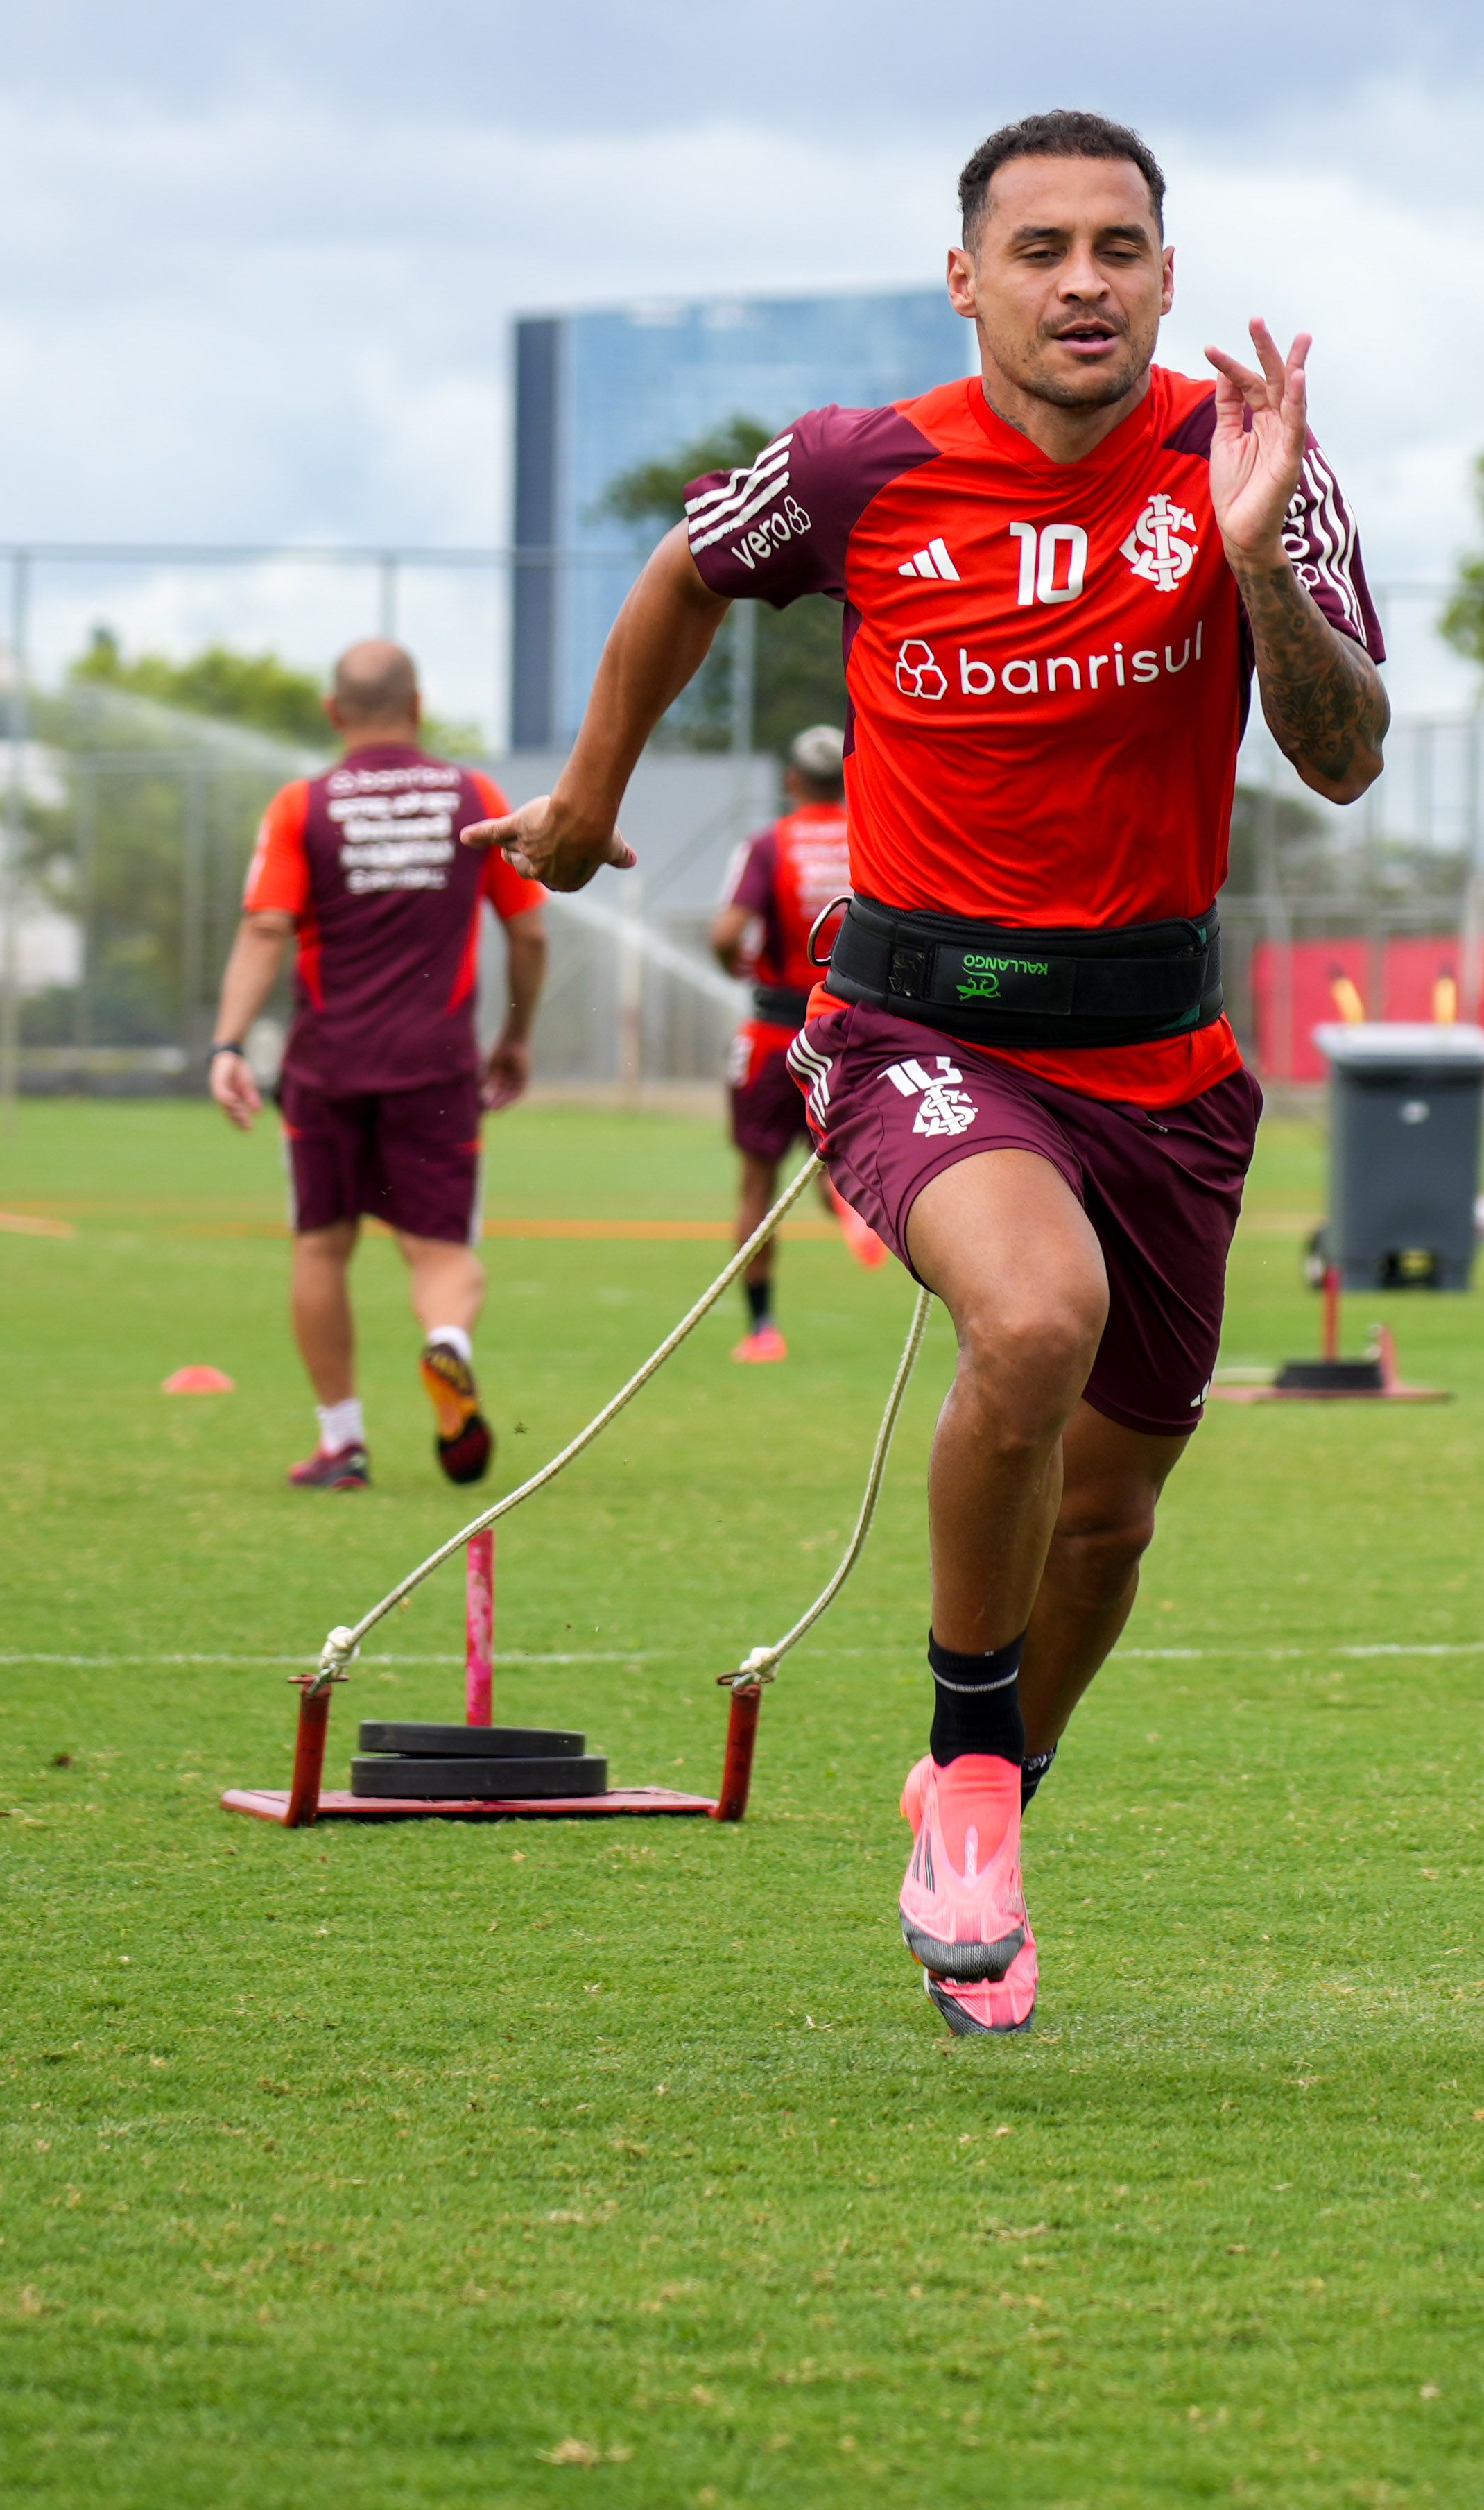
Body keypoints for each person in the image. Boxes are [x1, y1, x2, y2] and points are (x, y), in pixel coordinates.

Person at [476, 108, 1388, 2038]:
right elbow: (680, 576)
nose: (1084, 282)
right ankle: (973, 1786)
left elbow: (1347, 755)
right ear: (965, 276)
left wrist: (1258, 571)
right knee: (1034, 1323)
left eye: (1119, 248)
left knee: (1116, 1513)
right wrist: (580, 802)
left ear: (1168, 276)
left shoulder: (1260, 475)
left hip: (1165, 1061)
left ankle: (986, 1784)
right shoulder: (855, 465)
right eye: (1040, 247)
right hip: (917, 1031)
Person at [206, 642, 552, 1488]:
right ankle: (448, 1346)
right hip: (434, 1066)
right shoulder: (474, 796)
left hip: (326, 1065)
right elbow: (532, 929)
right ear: (420, 704)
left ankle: (342, 1443)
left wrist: (227, 1044)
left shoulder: (303, 803)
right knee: (439, 1251)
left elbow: (264, 928)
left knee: (322, 1246)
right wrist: (514, 1035)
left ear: (334, 712)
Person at [709, 723, 854, 1364]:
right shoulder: (872, 837)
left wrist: (732, 967)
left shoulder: (769, 844)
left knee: (755, 1186)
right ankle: (846, 1196)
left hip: (774, 1035)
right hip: (852, 1032)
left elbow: (727, 932)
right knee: (866, 1161)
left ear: (792, 781)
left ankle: (762, 1330)